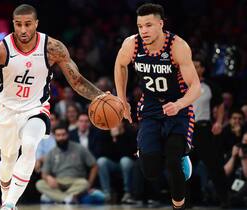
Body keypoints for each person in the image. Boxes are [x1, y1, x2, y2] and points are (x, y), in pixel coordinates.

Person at [0, 4, 104, 210]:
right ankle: (6, 197)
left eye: (28, 24)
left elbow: (77, 81)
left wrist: (101, 96)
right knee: (8, 159)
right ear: (13, 24)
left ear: (36, 24)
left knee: (29, 146)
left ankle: (9, 204)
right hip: (6, 111)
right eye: (18, 24)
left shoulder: (53, 48)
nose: (23, 30)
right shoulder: (2, 50)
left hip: (36, 108)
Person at [114, 3, 201, 210]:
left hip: (177, 108)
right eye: (140, 26)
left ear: (160, 24)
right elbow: (120, 65)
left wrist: (179, 104)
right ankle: (157, 150)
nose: (143, 30)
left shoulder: (177, 46)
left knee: (173, 162)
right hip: (150, 107)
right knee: (150, 171)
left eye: (149, 25)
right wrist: (121, 98)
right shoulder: (132, 44)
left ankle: (178, 204)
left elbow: (196, 87)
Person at [191, 54, 229, 207]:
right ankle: (187, 200)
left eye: (197, 65)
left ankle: (225, 199)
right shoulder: (180, 84)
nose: (194, 67)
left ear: (203, 69)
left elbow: (220, 104)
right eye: (192, 64)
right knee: (185, 167)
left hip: (204, 129)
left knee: (214, 167)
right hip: (186, 131)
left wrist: (219, 122)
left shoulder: (209, 86)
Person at [35, 124, 98, 204]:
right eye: (58, 135)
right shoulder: (51, 153)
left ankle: (58, 198)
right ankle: (67, 198)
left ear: (68, 135)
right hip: (58, 183)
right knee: (40, 184)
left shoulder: (79, 148)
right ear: (55, 137)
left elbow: (94, 165)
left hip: (76, 182)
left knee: (84, 183)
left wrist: (90, 184)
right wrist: (48, 178)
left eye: (63, 135)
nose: (61, 138)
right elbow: (44, 173)